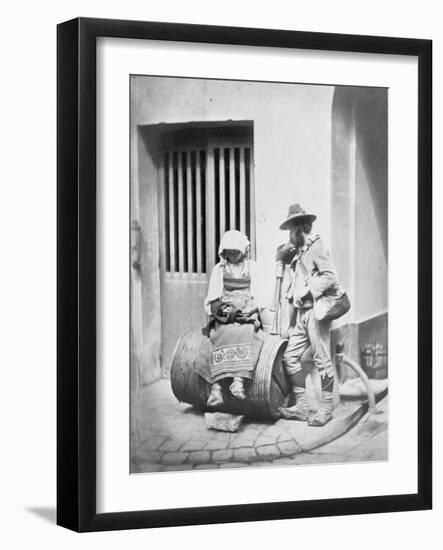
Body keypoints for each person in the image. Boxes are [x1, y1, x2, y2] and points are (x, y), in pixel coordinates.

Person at [276, 204, 337, 426]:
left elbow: (330, 277)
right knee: (290, 356)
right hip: (301, 314)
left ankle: (326, 409)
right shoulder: (299, 251)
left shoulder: (317, 248)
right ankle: (302, 406)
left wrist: (309, 289)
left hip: (316, 312)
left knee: (322, 360)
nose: (290, 235)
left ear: (302, 228)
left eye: (292, 230)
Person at [202, 230, 263, 408]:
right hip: (226, 315)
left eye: (235, 252)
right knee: (217, 335)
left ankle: (238, 381)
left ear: (243, 251)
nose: (232, 256)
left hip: (247, 314)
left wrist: (252, 309)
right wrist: (226, 312)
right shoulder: (219, 270)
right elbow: (212, 300)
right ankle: (216, 388)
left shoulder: (252, 267)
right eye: (228, 252)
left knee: (246, 332)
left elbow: (259, 297)